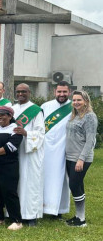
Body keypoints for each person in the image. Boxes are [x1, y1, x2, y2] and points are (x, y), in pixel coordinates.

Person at [12, 83, 45, 226]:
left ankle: (31, 215)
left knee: (30, 183)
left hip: (30, 152)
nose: (20, 94)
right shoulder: (12, 109)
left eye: (23, 92)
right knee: (14, 183)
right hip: (14, 151)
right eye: (18, 91)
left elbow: (41, 133)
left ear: (29, 92)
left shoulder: (36, 110)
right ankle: (14, 213)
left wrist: (26, 133)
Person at [65, 90, 98, 227]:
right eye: (74, 100)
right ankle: (79, 216)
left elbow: (90, 141)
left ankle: (82, 219)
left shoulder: (90, 117)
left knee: (74, 185)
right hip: (70, 157)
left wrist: (81, 159)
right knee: (78, 185)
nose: (76, 102)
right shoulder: (74, 115)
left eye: (79, 100)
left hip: (81, 158)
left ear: (86, 101)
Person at [42, 81, 72, 218]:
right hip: (46, 150)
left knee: (62, 180)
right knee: (44, 178)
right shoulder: (45, 106)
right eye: (59, 92)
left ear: (69, 92)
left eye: (64, 92)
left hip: (64, 150)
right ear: (55, 92)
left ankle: (59, 210)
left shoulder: (74, 107)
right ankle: (43, 207)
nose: (61, 94)